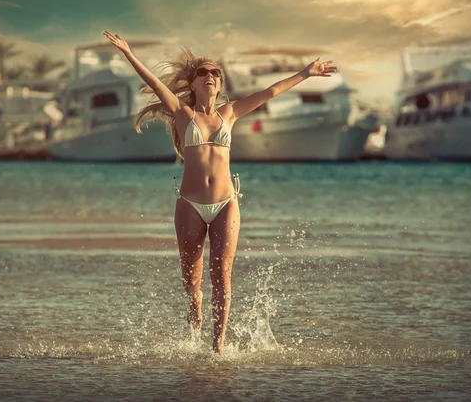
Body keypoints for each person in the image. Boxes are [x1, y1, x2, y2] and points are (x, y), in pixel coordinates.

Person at [104, 31, 337, 355]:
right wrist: (128, 53)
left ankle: (218, 347)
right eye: (204, 72)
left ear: (219, 83)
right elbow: (156, 85)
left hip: (227, 203)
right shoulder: (184, 115)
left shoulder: (230, 112)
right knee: (191, 277)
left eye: (216, 72)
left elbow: (271, 92)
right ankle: (195, 303)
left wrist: (307, 73)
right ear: (194, 81)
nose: (211, 76)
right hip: (190, 204)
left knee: (223, 275)